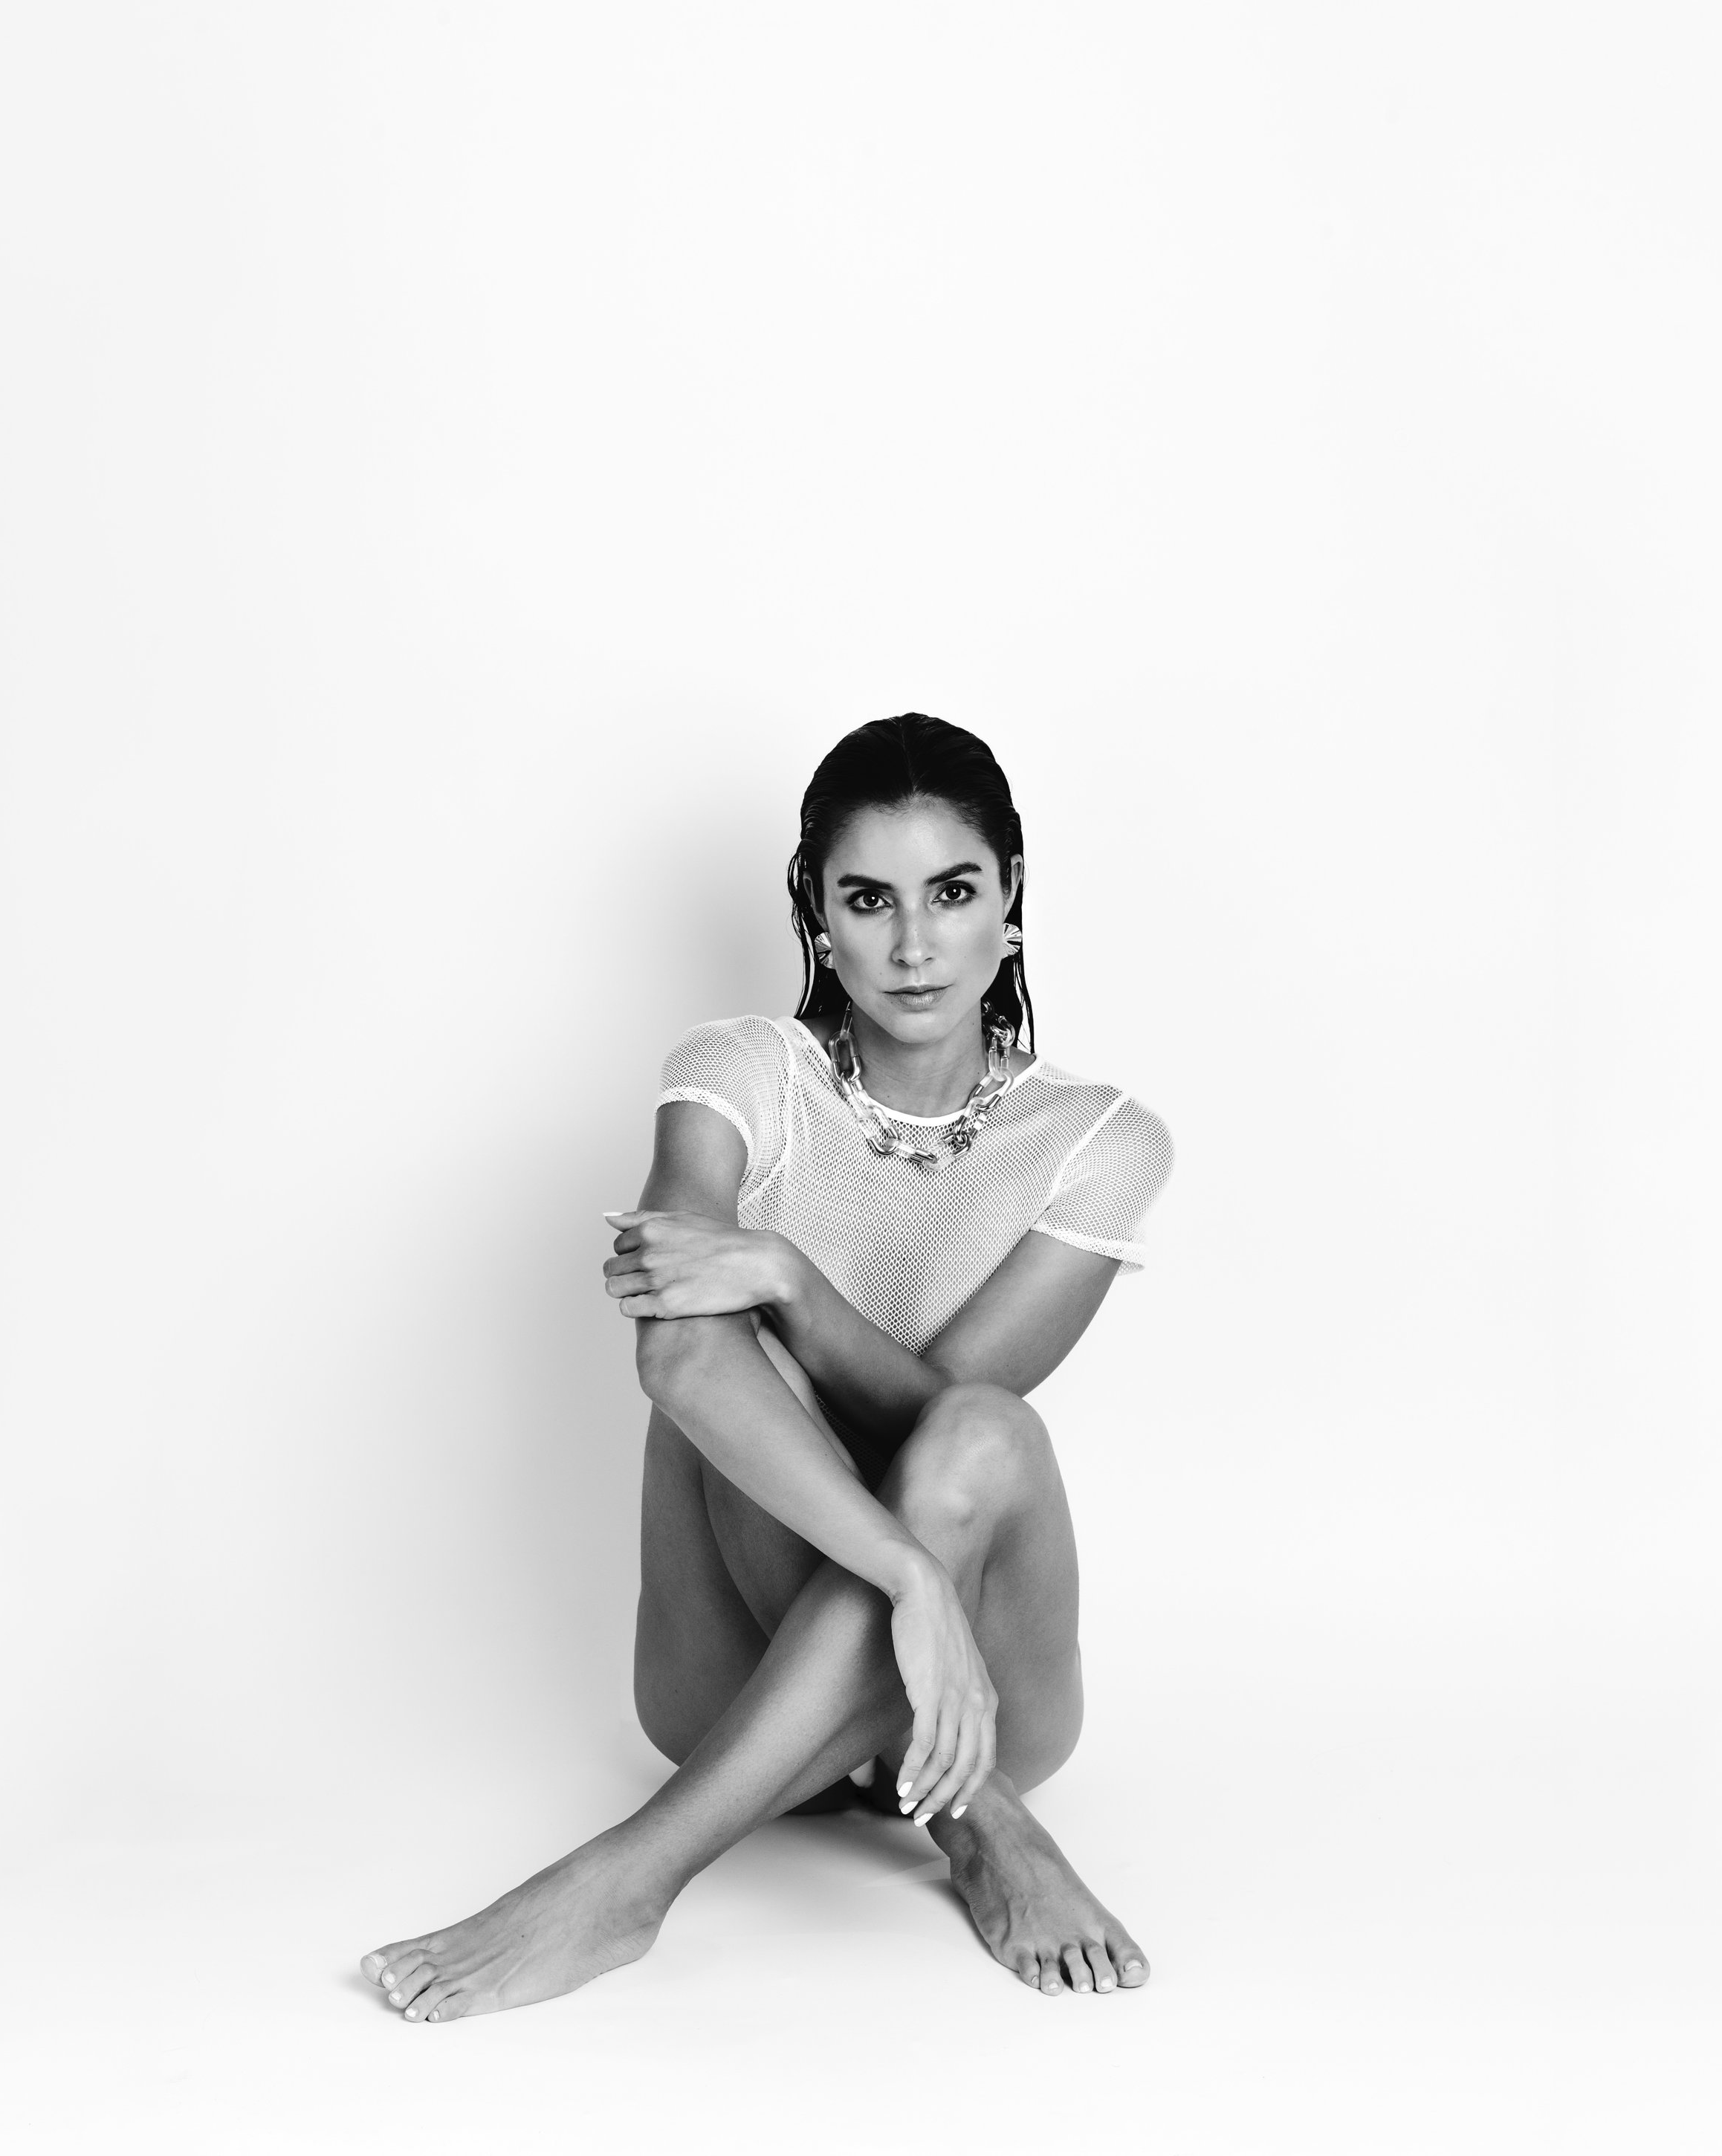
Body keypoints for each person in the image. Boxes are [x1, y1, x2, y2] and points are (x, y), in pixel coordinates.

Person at [361, 712, 1174, 2020]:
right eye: (869, 898)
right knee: (729, 1357)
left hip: (985, 1679)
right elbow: (679, 1341)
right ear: (818, 912)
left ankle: (632, 1875)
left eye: (952, 891)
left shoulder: (1099, 1141)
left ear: (1010, 896)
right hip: (737, 1671)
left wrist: (788, 1276)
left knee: (977, 1430)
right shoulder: (739, 1071)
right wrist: (908, 1577)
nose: (914, 945)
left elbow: (936, 1420)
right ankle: (977, 1823)